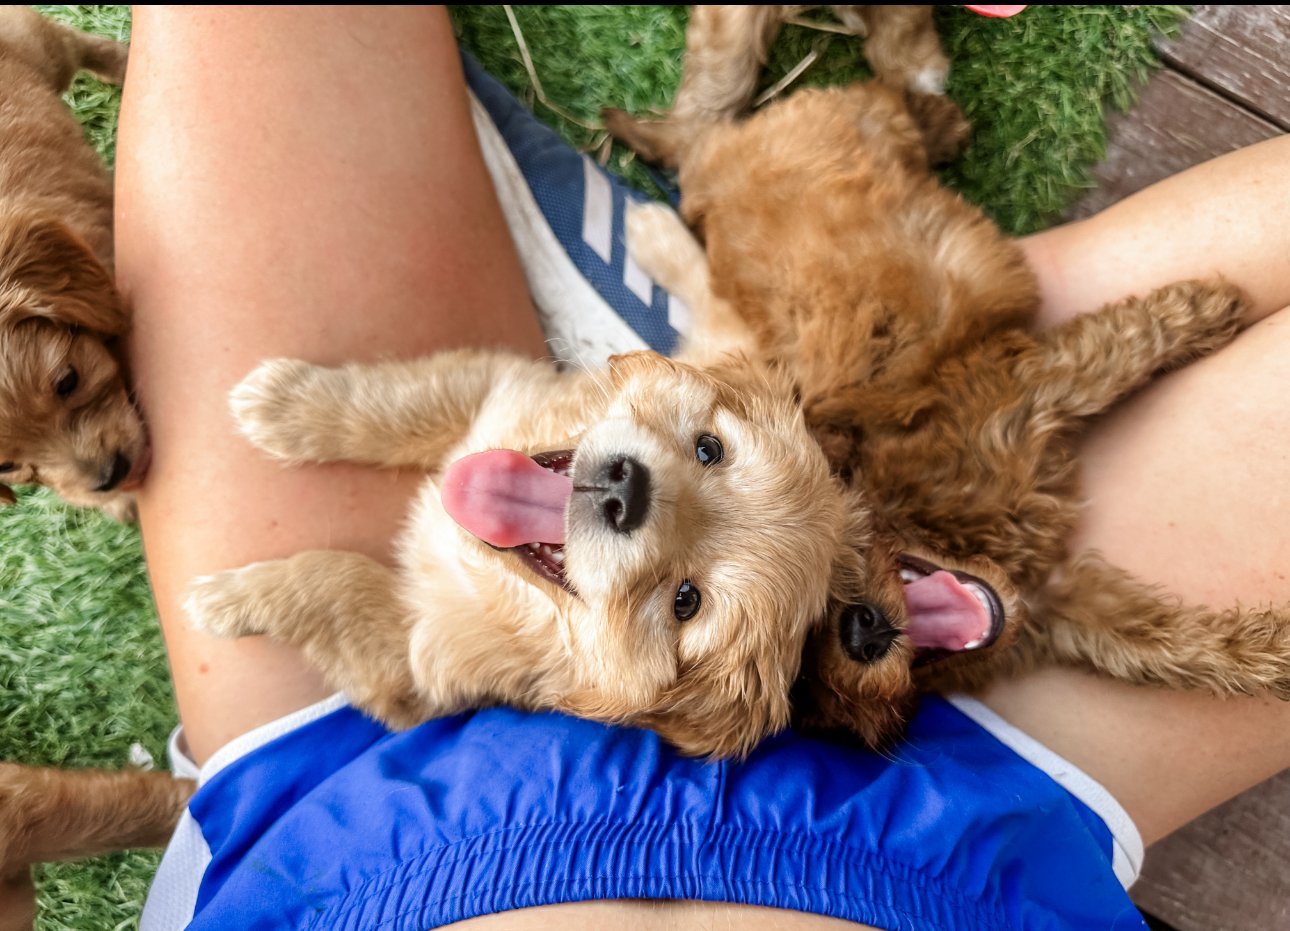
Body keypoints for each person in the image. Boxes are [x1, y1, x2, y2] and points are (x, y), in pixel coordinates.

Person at [115, 7, 1290, 930]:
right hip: (962, 803)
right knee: (980, 319)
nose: (637, 502)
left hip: (342, 781)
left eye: (685, 592)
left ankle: (727, 308)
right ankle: (747, 311)